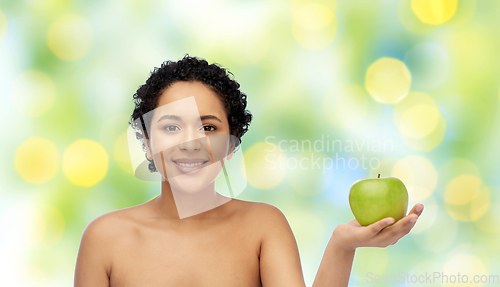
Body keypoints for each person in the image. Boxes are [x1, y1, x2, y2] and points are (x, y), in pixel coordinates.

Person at [74, 54, 424, 287]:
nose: (191, 142)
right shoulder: (106, 238)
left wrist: (342, 246)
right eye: (170, 127)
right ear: (147, 143)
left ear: (231, 145)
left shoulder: (263, 226)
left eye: (209, 128)